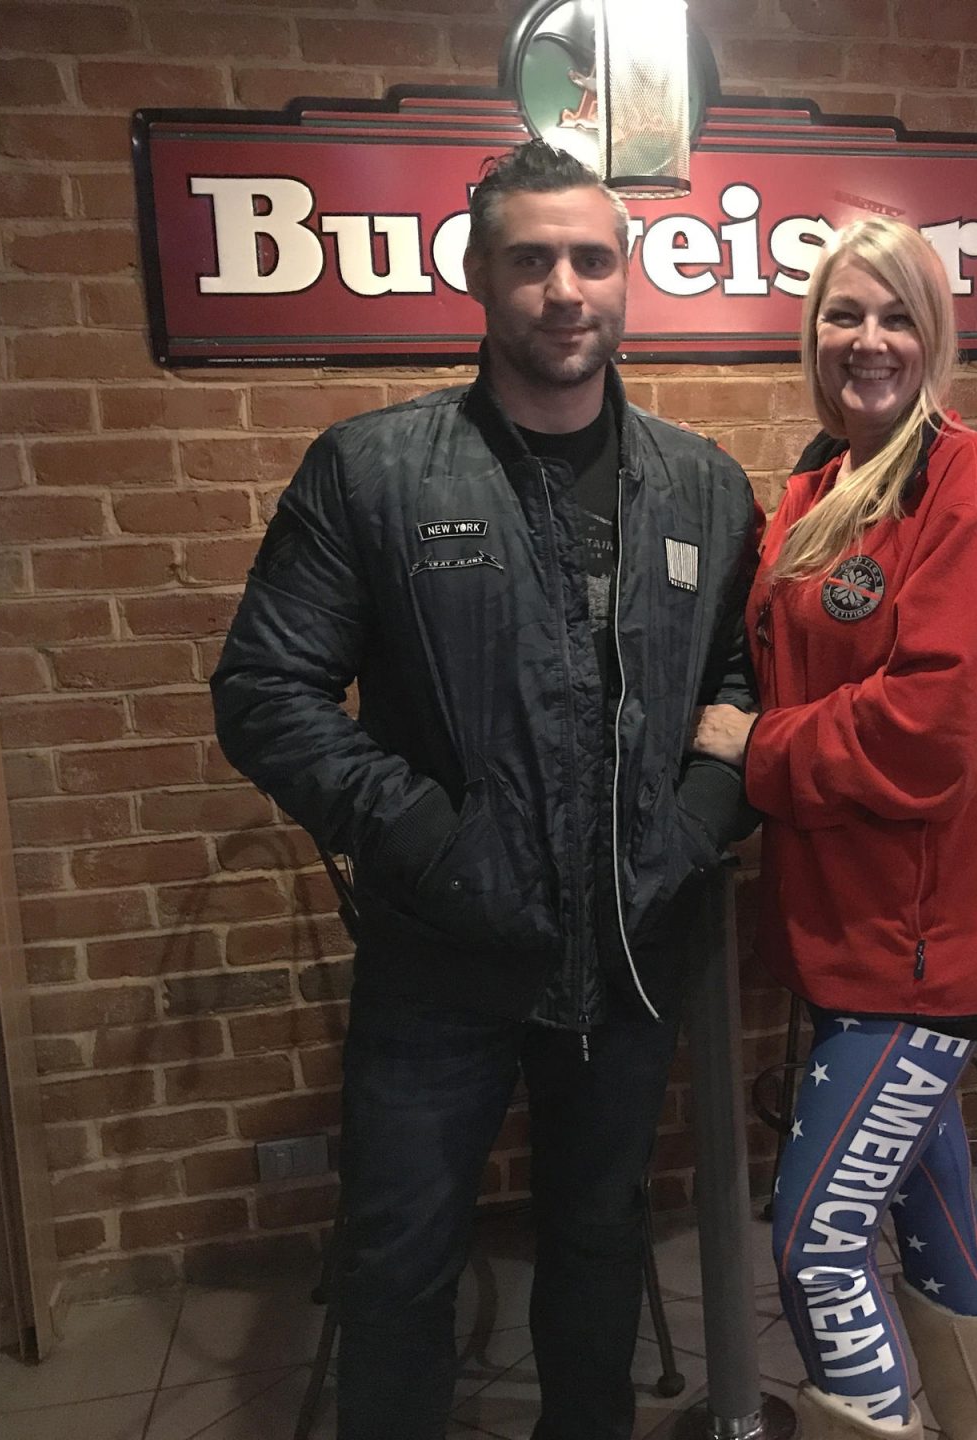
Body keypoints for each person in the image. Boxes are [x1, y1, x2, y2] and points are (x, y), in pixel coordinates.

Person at [211, 141, 759, 1440]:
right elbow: (266, 693)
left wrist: (687, 829)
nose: (565, 289)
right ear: (477, 277)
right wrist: (430, 840)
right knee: (400, 1264)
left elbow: (741, 680)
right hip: (439, 960)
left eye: (591, 258)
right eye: (532, 261)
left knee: (597, 1245)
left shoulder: (703, 486)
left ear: (626, 278)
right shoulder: (376, 475)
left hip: (628, 959)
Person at [692, 217, 977, 1439]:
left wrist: (764, 750)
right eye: (845, 314)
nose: (870, 339)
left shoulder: (974, 485)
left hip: (922, 948)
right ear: (813, 334)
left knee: (817, 1241)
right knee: (932, 1206)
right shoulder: (814, 484)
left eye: (896, 314)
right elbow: (768, 656)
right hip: (844, 928)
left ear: (935, 332)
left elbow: (934, 731)